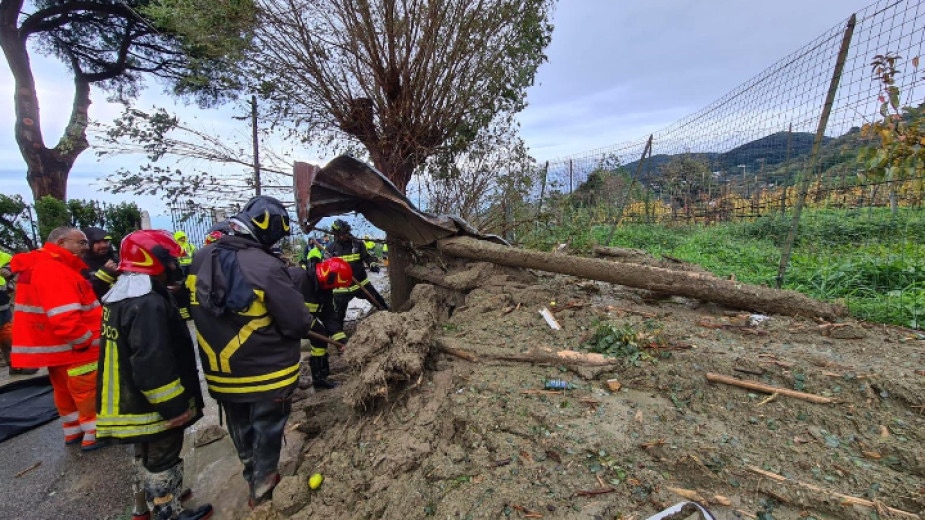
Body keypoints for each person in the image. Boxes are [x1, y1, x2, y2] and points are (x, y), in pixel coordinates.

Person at [188, 195, 313, 507]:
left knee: (240, 426)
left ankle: (250, 472)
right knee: (268, 428)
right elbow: (298, 323)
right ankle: (264, 485)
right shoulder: (267, 267)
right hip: (268, 373)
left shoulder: (200, 258)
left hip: (221, 375)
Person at [97, 230, 211, 520]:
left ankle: (144, 506)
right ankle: (168, 510)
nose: (175, 264)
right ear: (153, 259)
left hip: (130, 401)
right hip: (152, 405)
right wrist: (174, 407)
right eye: (170, 258)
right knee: (163, 457)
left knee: (144, 454)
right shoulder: (147, 303)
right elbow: (152, 361)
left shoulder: (123, 295)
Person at [9, 226, 103, 450]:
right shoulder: (53, 269)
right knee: (87, 391)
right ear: (61, 243)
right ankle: (94, 434)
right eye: (80, 242)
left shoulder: (42, 265)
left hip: (60, 350)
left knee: (65, 391)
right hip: (77, 349)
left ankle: (74, 431)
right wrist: (83, 341)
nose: (85, 247)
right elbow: (64, 316)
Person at [289, 257, 352, 389]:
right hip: (283, 320)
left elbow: (329, 316)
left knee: (320, 336)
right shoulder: (297, 277)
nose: (337, 288)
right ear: (329, 277)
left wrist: (342, 341)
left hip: (304, 321)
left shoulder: (325, 290)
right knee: (287, 350)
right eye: (336, 284)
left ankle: (320, 378)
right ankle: (286, 383)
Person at [326, 219, 388, 332]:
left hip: (361, 284)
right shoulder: (331, 249)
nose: (345, 236)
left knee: (379, 301)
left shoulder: (357, 244)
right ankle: (338, 339)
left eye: (346, 233)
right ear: (336, 235)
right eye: (342, 234)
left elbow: (367, 257)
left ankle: (391, 319)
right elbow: (327, 268)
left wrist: (372, 264)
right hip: (341, 289)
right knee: (338, 315)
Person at [1, 250, 38, 375]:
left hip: (2, 304)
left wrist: (8, 270)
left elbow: (11, 262)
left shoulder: (1, 255)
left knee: (8, 334)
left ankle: (16, 365)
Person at [81, 226, 120, 300]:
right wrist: (104, 273)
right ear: (88, 244)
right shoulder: (81, 264)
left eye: (106, 241)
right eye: (98, 242)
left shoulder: (115, 259)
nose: (104, 245)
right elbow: (85, 292)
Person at [172, 231, 195, 321]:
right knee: (183, 294)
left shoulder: (189, 246)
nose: (182, 239)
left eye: (183, 237)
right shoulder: (177, 247)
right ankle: (186, 315)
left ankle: (189, 314)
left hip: (188, 269)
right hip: (181, 271)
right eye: (180, 238)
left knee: (187, 293)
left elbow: (195, 254)